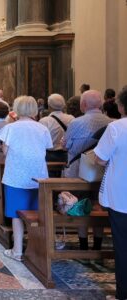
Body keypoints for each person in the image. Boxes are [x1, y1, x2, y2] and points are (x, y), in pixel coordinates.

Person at [0, 96, 53, 261]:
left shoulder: (10, 128)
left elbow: (5, 152)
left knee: (16, 213)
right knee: (37, 212)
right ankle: (37, 248)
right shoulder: (42, 128)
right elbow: (47, 147)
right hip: (38, 176)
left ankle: (18, 250)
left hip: (16, 174)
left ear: (16, 109)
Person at [63, 90, 112, 250]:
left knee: (80, 206)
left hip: (80, 172)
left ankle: (83, 243)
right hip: (103, 173)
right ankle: (97, 243)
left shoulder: (76, 123)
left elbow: (66, 145)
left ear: (83, 105)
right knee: (99, 205)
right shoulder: (110, 122)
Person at [94, 88, 127, 300]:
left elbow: (100, 158)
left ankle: (123, 293)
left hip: (122, 195)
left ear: (121, 106)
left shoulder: (116, 128)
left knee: (123, 245)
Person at [39, 94, 74, 163]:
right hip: (67, 156)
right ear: (64, 105)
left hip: (49, 156)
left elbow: (40, 142)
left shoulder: (44, 121)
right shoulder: (71, 118)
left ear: (49, 106)